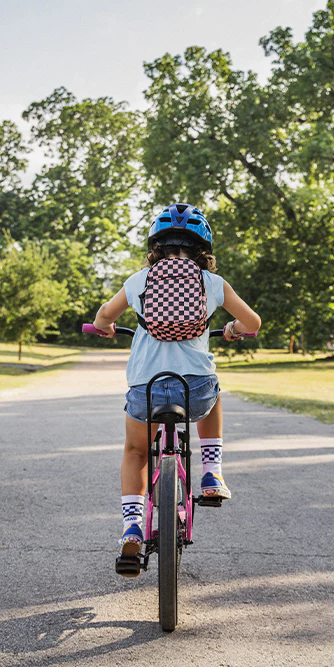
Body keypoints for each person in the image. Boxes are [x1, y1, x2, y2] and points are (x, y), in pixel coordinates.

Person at [91, 203, 261, 576]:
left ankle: (132, 528)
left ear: (156, 246)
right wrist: (233, 330)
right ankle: (212, 473)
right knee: (214, 391)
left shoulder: (139, 281)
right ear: (203, 247)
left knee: (136, 451)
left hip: (145, 390)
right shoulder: (212, 283)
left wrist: (104, 326)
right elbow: (253, 321)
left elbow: (104, 315)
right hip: (194, 389)